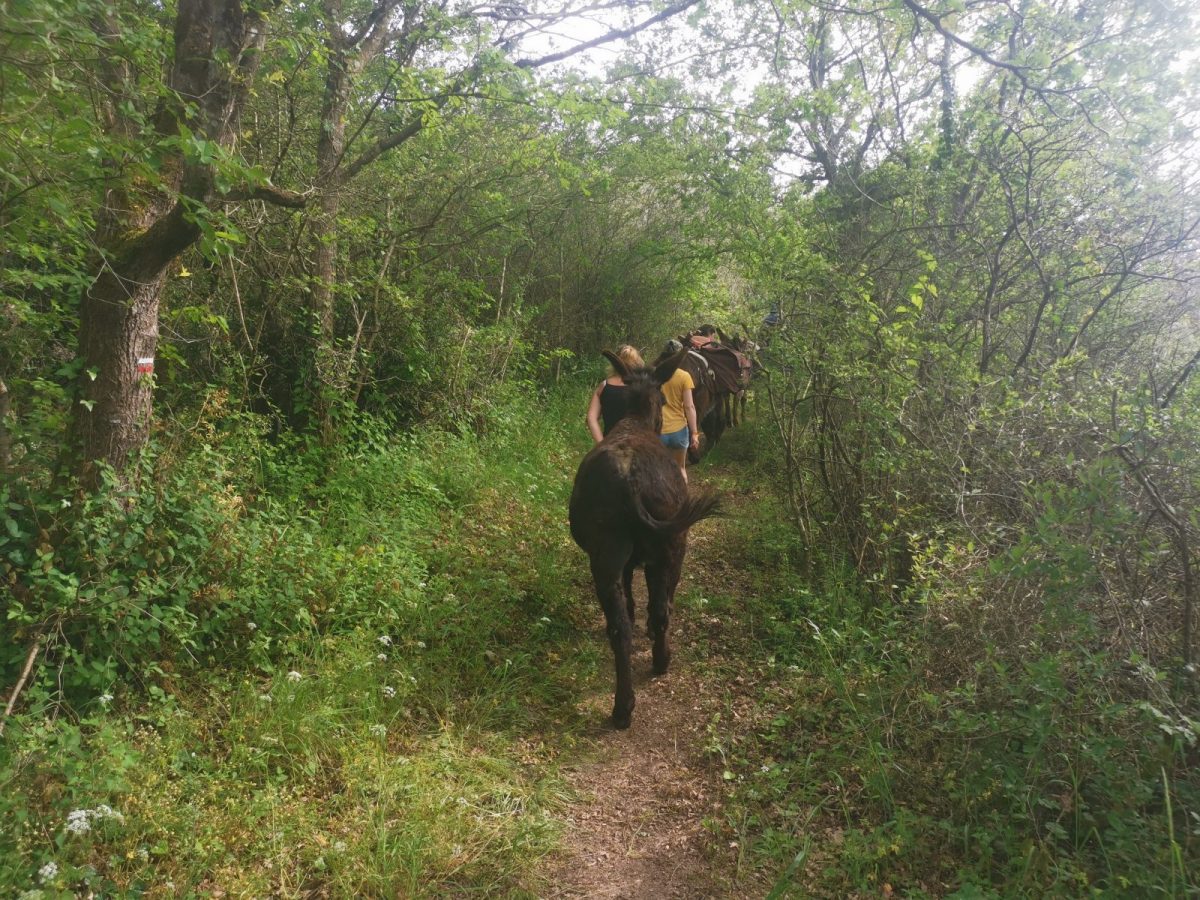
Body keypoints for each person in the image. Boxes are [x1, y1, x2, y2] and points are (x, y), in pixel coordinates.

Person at [657, 339, 701, 482]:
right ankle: (683, 502)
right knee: (680, 469)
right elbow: (689, 406)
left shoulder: (653, 374)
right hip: (679, 431)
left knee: (659, 471)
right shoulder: (684, 376)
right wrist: (694, 433)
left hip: (658, 432)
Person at [586, 344, 645, 443]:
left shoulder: (604, 386)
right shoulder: (642, 388)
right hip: (636, 446)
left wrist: (602, 444)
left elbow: (591, 418)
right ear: (637, 363)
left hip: (610, 445)